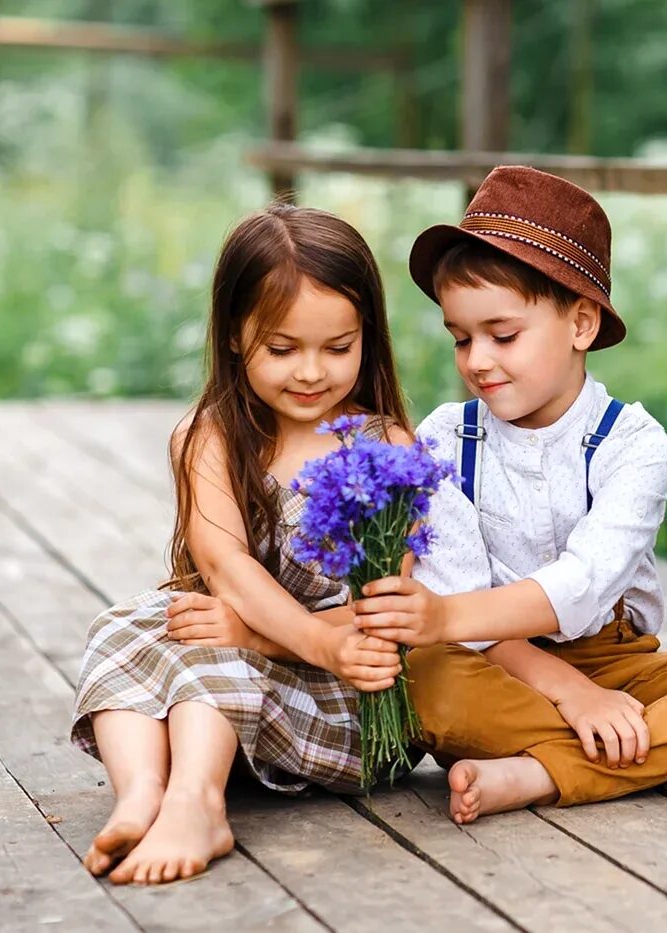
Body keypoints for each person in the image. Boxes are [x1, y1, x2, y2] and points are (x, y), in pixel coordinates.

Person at [355, 166, 667, 824]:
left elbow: (583, 583)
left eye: (503, 334)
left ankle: (542, 772)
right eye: (460, 337)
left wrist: (453, 623)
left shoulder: (633, 442)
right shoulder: (443, 438)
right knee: (426, 680)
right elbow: (459, 597)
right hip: (504, 669)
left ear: (580, 322)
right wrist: (566, 693)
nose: (477, 360)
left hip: (621, 664)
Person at [69, 203, 488, 884]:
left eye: (338, 347)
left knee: (218, 650)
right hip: (234, 690)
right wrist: (246, 628)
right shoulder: (208, 436)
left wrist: (269, 637)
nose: (311, 372)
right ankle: (144, 789)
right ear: (235, 336)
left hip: (348, 700)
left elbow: (384, 607)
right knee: (127, 623)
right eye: (282, 348)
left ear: (368, 337)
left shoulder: (387, 448)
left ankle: (199, 799)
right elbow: (224, 564)